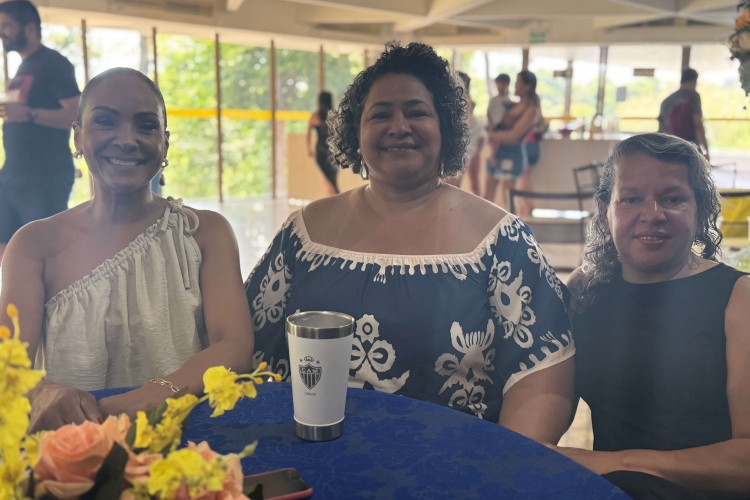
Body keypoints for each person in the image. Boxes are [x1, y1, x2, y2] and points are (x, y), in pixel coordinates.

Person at [245, 42, 574, 444]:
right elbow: (246, 344)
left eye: (417, 112)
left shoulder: (501, 240)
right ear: (356, 132)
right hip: (311, 458)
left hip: (455, 464)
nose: (399, 126)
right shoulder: (303, 233)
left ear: (445, 128)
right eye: (380, 114)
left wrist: (506, 466)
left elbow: (542, 372)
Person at [0, 67, 254, 432]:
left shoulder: (204, 233)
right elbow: (9, 364)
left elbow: (234, 346)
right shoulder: (33, 244)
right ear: (78, 135)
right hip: (72, 447)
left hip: (190, 445)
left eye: (146, 126)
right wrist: (44, 394)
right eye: (105, 121)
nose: (127, 139)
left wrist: (157, 394)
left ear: (165, 142)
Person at [556, 133, 750, 499]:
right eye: (631, 199)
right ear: (606, 213)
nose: (653, 214)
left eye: (673, 198)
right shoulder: (584, 290)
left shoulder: (739, 298)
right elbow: (551, 409)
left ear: (700, 210)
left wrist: (616, 463)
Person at [0, 0, 80, 264]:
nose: (2, 32)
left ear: (31, 28)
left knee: (44, 256)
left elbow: (76, 115)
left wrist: (31, 114)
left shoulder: (53, 64)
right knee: (7, 250)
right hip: (12, 175)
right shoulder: (24, 68)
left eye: (7, 26)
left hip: (44, 177)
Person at [483, 70, 542, 208]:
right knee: (487, 198)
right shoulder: (512, 104)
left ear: (527, 87)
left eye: (518, 83)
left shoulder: (531, 109)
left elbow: (514, 136)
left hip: (513, 153)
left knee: (508, 200)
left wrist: (492, 134)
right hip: (499, 151)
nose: (514, 86)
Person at [658, 68, 710, 162]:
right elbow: (697, 125)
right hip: (690, 149)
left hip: (670, 149)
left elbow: (661, 130)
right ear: (694, 80)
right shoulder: (693, 96)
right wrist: (705, 151)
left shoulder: (666, 102)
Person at [445, 71, 484, 195]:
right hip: (467, 146)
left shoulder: (464, 102)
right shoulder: (459, 101)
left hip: (464, 147)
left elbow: (466, 125)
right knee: (456, 184)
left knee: (453, 185)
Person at [516, 110, 548, 218]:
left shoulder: (528, 111)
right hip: (535, 147)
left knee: (523, 177)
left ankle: (525, 206)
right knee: (526, 177)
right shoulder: (537, 114)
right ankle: (529, 205)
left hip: (527, 146)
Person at [307, 90, 338, 196]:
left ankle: (334, 199)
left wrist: (309, 149)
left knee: (328, 182)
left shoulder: (315, 116)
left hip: (321, 150)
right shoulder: (335, 116)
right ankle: (336, 199)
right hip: (333, 150)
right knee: (332, 181)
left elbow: (308, 134)